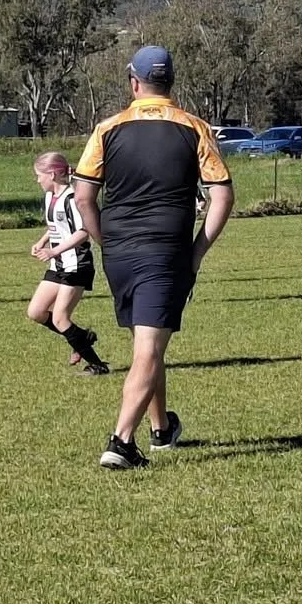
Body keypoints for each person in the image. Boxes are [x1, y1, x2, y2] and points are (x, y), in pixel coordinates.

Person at [74, 45, 233, 469]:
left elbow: (84, 195)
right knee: (149, 344)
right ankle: (122, 441)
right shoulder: (193, 127)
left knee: (147, 340)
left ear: (134, 82)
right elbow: (222, 195)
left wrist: (104, 239)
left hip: (120, 252)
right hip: (166, 249)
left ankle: (161, 427)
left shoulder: (107, 129)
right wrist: (197, 251)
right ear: (171, 82)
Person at [26, 151, 109, 375]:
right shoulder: (49, 197)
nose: (37, 180)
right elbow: (56, 225)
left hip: (77, 265)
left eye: (39, 175)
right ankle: (82, 337)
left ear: (52, 174)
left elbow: (85, 231)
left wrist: (54, 251)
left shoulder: (73, 198)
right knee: (36, 312)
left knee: (60, 317)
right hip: (58, 265)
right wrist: (42, 241)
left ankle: (98, 365)